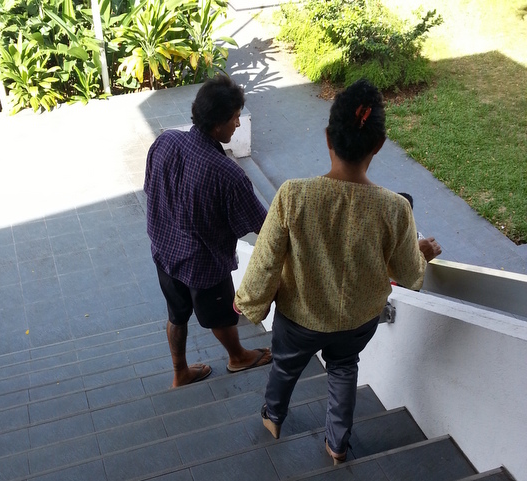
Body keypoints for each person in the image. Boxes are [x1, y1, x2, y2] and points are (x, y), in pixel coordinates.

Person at [233, 79, 442, 464]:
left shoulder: (293, 195)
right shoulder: (395, 208)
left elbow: (265, 259)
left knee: (285, 367)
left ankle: (273, 417)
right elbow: (408, 274)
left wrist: (249, 302)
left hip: (299, 318)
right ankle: (337, 445)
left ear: (328, 136)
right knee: (344, 370)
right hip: (358, 321)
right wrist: (422, 253)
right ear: (379, 145)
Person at [144, 75, 273, 388]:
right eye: (235, 118)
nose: (238, 124)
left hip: (164, 254)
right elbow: (265, 228)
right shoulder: (229, 176)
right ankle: (238, 357)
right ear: (217, 125)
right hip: (203, 268)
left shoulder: (164, 142)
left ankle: (180, 373)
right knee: (221, 317)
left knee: (176, 316)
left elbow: (150, 190)